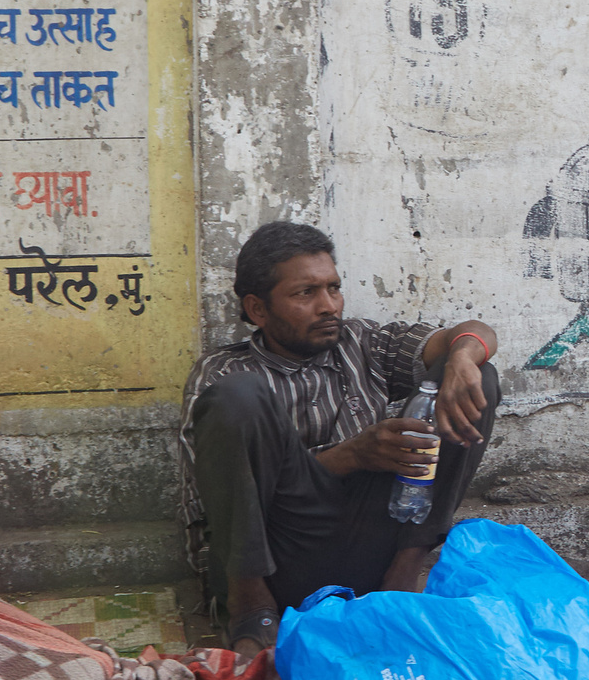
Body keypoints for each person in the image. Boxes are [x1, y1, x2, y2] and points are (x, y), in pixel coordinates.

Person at [175, 221, 502, 653]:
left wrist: (462, 356)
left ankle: (402, 580)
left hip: (368, 548)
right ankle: (251, 612)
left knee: (480, 375)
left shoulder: (363, 343)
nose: (328, 306)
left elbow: (475, 332)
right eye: (305, 293)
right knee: (238, 398)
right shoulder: (223, 375)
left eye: (333, 288)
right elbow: (219, 503)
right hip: (275, 560)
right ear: (257, 310)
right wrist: (350, 456)